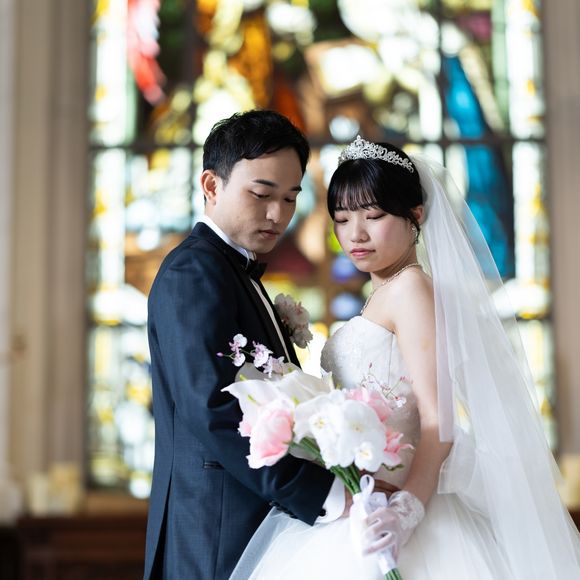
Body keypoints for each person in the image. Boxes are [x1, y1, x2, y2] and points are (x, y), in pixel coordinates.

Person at [230, 136, 580, 579]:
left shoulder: (411, 289)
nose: (355, 234)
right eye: (342, 219)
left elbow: (439, 421)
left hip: (406, 507)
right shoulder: (384, 293)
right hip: (363, 499)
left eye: (374, 216)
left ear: (415, 215)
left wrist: (405, 512)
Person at [143, 110, 343, 579]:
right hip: (214, 532)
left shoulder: (235, 271)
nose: (278, 215)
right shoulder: (193, 272)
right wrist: (322, 492)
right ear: (211, 185)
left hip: (253, 527)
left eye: (290, 198)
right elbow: (213, 409)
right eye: (261, 194)